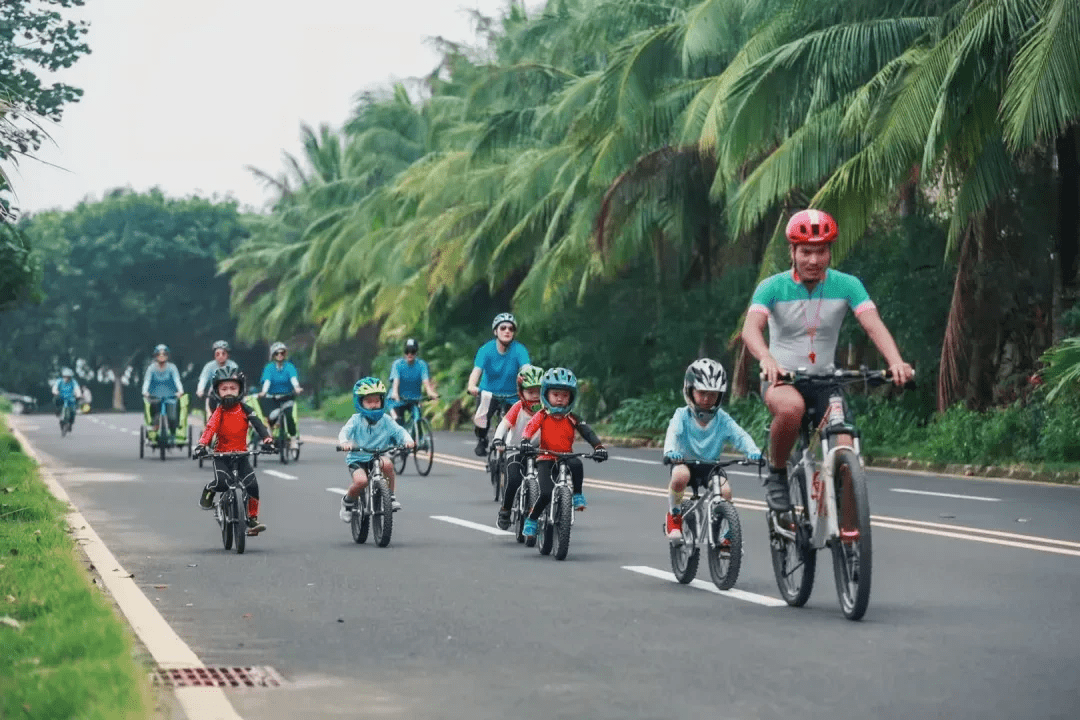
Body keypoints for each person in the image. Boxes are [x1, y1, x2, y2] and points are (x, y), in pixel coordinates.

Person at [740, 209, 914, 512]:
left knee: (845, 448)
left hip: (826, 380)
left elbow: (873, 324)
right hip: (783, 379)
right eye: (806, 251)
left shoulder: (848, 285)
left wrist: (896, 361)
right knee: (792, 409)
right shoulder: (772, 287)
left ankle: (849, 540)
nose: (813, 260)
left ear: (829, 252)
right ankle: (777, 473)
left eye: (821, 251)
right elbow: (750, 329)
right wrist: (767, 358)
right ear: (792, 251)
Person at [662, 359, 762, 542]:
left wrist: (753, 451)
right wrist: (670, 452)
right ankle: (674, 517)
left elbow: (740, 436)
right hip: (684, 463)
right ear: (689, 391)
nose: (707, 400)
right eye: (702, 393)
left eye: (713, 394)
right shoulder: (682, 416)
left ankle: (725, 532)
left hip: (711, 467)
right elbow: (673, 434)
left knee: (725, 492)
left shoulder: (722, 419)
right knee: (680, 477)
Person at [519, 367, 607, 538]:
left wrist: (599, 447)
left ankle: (577, 494)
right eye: (556, 395)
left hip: (566, 456)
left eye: (565, 396)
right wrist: (525, 441)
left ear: (571, 398)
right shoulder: (542, 415)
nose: (560, 399)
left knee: (577, 464)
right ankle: (532, 519)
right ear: (546, 395)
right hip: (546, 457)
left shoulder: (572, 417)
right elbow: (530, 428)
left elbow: (587, 432)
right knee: (545, 492)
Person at [194, 369, 275, 535]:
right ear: (217, 392)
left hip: (241, 455)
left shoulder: (246, 409)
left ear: (240, 390)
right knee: (223, 483)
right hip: (221, 456)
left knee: (252, 486)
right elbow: (210, 429)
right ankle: (209, 489)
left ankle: (252, 519)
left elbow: (258, 425)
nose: (229, 392)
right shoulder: (219, 411)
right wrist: (202, 445)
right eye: (224, 389)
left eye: (233, 388)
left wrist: (267, 440)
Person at [338, 377, 414, 520]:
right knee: (361, 482)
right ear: (360, 402)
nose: (374, 405)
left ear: (382, 401)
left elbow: (399, 431)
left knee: (388, 464)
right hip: (358, 458)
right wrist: (344, 442)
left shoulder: (386, 420)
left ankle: (390, 496)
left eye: (377, 401)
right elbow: (345, 431)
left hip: (377, 456)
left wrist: (408, 440)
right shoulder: (356, 420)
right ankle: (347, 502)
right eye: (369, 401)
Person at [467, 313, 531, 456]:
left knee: (515, 424)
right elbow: (476, 371)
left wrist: (530, 385)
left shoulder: (520, 350)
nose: (507, 331)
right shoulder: (485, 350)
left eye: (511, 328)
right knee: (481, 419)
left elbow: (527, 370)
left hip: (513, 395)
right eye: (503, 328)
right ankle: (482, 439)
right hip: (488, 393)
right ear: (496, 331)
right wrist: (472, 386)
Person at [490, 364, 544, 530]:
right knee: (513, 479)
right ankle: (505, 510)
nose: (535, 396)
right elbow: (504, 425)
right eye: (530, 392)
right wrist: (498, 439)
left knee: (551, 476)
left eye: (538, 391)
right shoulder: (517, 408)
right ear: (521, 392)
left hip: (539, 450)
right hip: (515, 450)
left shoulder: (547, 410)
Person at [388, 338, 439, 425]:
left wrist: (430, 392)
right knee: (398, 422)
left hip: (414, 399)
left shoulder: (422, 364)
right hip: (398, 399)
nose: (410, 354)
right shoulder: (398, 364)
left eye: (413, 351)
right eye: (407, 351)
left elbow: (426, 381)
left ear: (416, 352)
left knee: (417, 420)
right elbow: (396, 381)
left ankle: (418, 437)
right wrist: (395, 393)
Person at [258, 341, 303, 441]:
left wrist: (297, 388)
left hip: (287, 397)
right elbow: (267, 381)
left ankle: (293, 438)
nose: (279, 355)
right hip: (272, 398)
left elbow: (293, 379)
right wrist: (264, 392)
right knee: (270, 418)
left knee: (289, 417)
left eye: (282, 353)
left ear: (285, 354)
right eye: (277, 353)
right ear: (273, 355)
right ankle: (271, 434)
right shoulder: (269, 368)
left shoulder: (289, 367)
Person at [142, 344, 186, 443]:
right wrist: (145, 392)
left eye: (164, 354)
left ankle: (173, 434)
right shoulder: (151, 368)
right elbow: (147, 381)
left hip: (170, 396)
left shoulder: (172, 367)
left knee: (172, 417)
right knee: (155, 417)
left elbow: (177, 380)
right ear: (156, 356)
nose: (161, 356)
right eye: (159, 354)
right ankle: (154, 430)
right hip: (155, 396)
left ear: (167, 356)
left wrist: (180, 391)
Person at [196, 340, 239, 418]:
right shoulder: (209, 366)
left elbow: (235, 380)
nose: (220, 356)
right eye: (217, 354)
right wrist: (200, 390)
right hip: (213, 394)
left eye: (223, 354)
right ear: (214, 355)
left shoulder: (233, 365)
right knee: (210, 415)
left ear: (227, 355)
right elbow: (203, 379)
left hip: (229, 394)